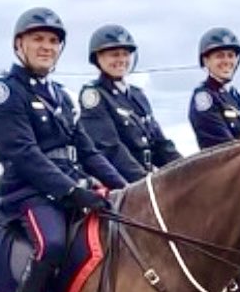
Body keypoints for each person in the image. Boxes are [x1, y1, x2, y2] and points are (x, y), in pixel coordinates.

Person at [0, 7, 126, 292]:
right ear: (20, 45)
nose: (46, 47)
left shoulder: (60, 97)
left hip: (65, 187)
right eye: (38, 40)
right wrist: (72, 192)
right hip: (26, 192)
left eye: (52, 41)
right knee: (53, 245)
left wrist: (129, 192)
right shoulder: (4, 92)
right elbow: (23, 154)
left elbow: (88, 151)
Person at [78, 24, 182, 182]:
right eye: (114, 55)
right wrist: (144, 181)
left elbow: (161, 144)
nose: (121, 60)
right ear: (98, 58)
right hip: (121, 182)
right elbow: (110, 148)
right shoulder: (94, 96)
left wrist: (186, 169)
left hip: (146, 177)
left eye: (125, 54)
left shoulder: (138, 95)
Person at [189, 27, 240, 150]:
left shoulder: (236, 97)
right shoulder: (205, 98)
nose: (226, 61)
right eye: (220, 56)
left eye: (231, 55)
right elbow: (221, 148)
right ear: (206, 61)